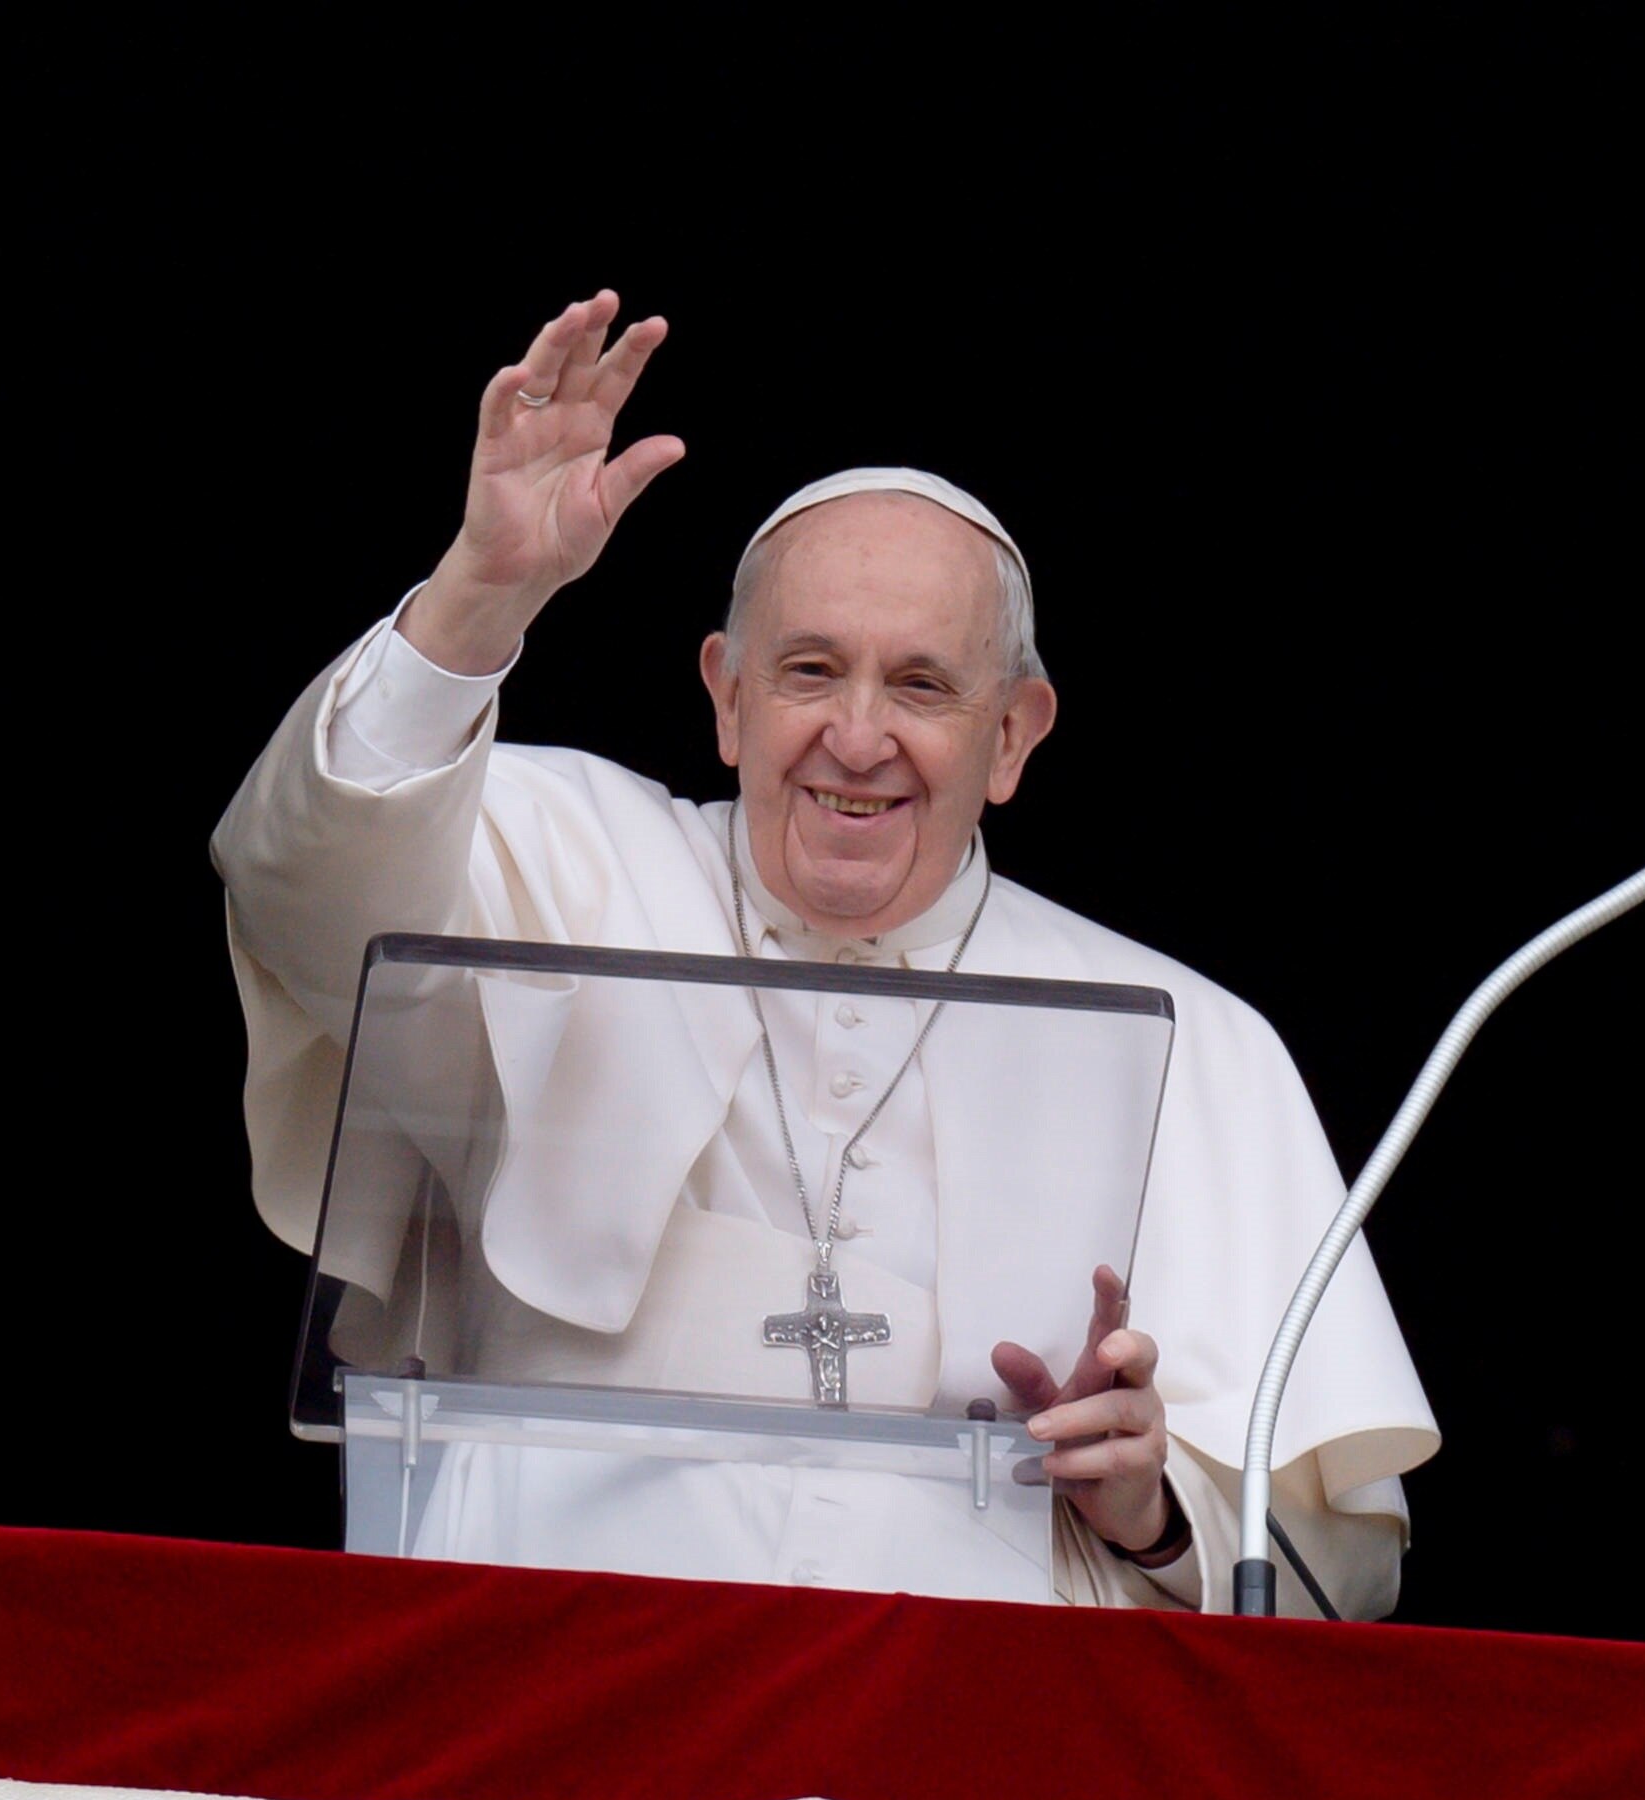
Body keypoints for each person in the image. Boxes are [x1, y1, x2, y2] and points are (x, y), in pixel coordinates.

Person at [216, 291, 1437, 1613]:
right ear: (727, 698)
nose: (857, 739)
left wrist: (1155, 1510)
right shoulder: (557, 861)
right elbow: (302, 879)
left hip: (964, 1752)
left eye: (920, 686)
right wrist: (480, 597)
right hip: (557, 1692)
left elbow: (1333, 1570)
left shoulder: (1188, 1038)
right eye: (808, 672)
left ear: (1014, 735)